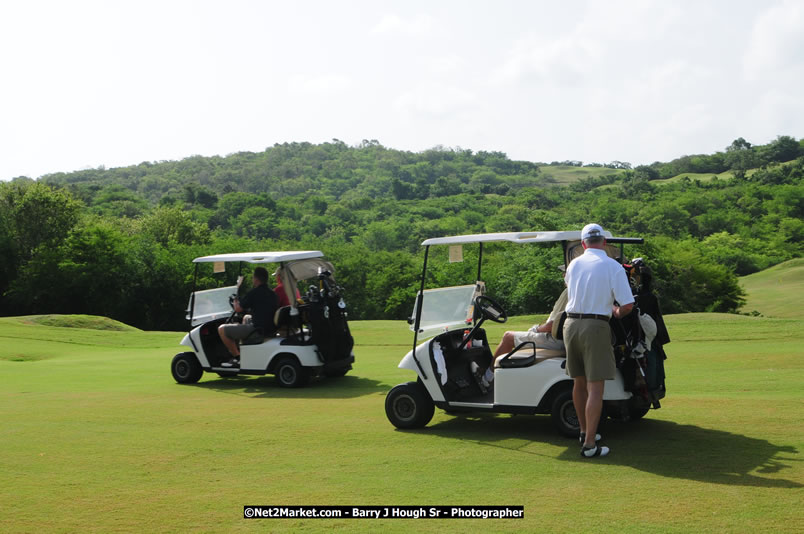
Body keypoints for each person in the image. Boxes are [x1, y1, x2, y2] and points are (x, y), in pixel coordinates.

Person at [564, 223, 634, 458]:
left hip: (570, 324)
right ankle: (590, 445)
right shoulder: (612, 266)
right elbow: (627, 305)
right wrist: (615, 311)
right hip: (595, 326)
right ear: (604, 242)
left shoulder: (574, 264)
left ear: (583, 244)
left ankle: (584, 432)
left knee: (578, 381)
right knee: (596, 387)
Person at [471, 266, 568, 389]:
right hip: (558, 339)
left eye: (565, 272)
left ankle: (487, 379)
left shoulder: (567, 292)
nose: (563, 275)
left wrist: (537, 329)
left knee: (508, 337)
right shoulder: (575, 291)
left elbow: (552, 325)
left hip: (553, 340)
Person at [218, 267, 279, 367]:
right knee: (246, 317)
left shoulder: (254, 293)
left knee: (221, 329)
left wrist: (235, 300)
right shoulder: (273, 294)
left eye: (253, 278)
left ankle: (237, 358)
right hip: (270, 328)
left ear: (256, 279)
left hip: (258, 330)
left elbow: (238, 309)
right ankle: (243, 350)